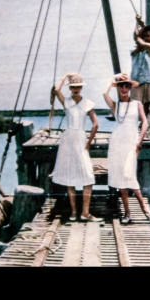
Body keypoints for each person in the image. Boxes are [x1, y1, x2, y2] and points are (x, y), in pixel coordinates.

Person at [103, 73, 150, 224]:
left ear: (130, 88)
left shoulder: (137, 104)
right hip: (117, 144)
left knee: (130, 175)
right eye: (121, 86)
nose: (124, 88)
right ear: (118, 88)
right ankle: (127, 213)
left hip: (131, 143)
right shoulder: (116, 105)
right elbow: (103, 93)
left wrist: (140, 140)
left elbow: (145, 123)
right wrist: (113, 78)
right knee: (120, 179)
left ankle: (146, 209)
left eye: (127, 86)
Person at [51, 73, 103, 222]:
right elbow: (56, 89)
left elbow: (96, 124)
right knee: (69, 176)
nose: (76, 89)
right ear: (70, 88)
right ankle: (74, 212)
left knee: (88, 176)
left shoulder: (87, 103)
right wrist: (65, 76)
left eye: (78, 86)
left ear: (82, 87)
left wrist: (88, 142)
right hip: (67, 140)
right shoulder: (66, 101)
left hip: (80, 138)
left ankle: (85, 212)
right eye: (73, 87)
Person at [130, 20, 150, 117]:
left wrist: (143, 25)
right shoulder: (134, 51)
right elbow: (136, 37)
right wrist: (137, 23)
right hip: (136, 81)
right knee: (135, 104)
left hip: (148, 80)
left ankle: (146, 124)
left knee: (148, 104)